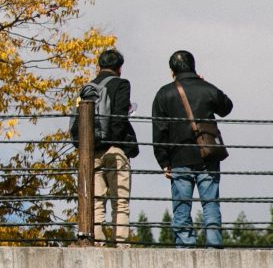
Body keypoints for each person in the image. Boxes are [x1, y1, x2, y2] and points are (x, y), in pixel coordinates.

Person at [149, 49, 232, 247]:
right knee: (210, 202)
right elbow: (226, 107)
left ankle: (185, 247)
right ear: (194, 67)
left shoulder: (163, 94)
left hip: (179, 157)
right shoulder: (206, 88)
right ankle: (213, 244)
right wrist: (204, 82)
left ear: (172, 71)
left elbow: (159, 131)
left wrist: (163, 161)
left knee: (181, 207)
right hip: (207, 154)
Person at [80, 48, 138, 245]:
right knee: (120, 202)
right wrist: (121, 144)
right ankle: (121, 244)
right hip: (115, 149)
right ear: (119, 68)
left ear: (99, 66)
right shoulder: (121, 84)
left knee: (96, 202)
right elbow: (119, 118)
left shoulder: (88, 87)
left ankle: (97, 243)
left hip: (91, 150)